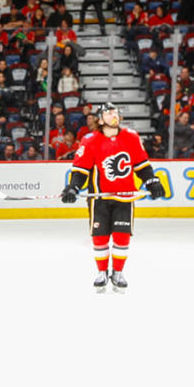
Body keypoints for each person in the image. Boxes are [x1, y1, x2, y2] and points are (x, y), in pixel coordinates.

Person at [61, 103, 166, 292]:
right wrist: (73, 187)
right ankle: (102, 272)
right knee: (100, 236)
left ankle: (118, 272)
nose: (114, 115)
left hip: (125, 196)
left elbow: (142, 165)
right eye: (108, 113)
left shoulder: (131, 137)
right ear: (100, 120)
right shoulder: (89, 140)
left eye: (115, 111)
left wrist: (152, 181)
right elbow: (81, 169)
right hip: (99, 198)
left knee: (121, 235)